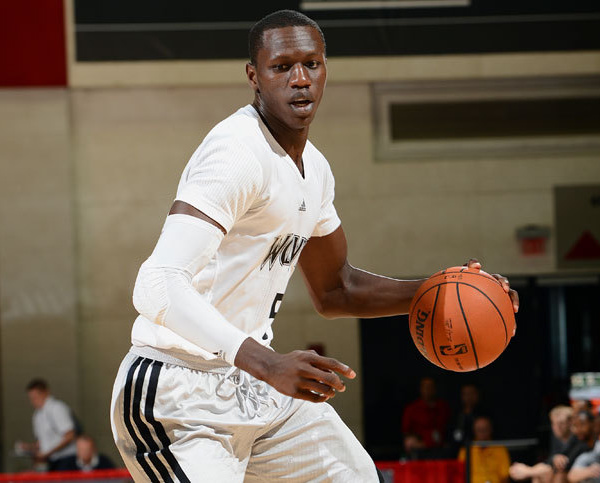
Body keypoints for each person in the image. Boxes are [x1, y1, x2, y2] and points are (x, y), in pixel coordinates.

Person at [109, 9, 519, 482]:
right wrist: (268, 364)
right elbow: (156, 284)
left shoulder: (315, 170)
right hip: (176, 394)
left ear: (326, 70)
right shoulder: (236, 153)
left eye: (311, 65)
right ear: (254, 76)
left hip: (254, 388)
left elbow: (336, 289)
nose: (299, 79)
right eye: (282, 67)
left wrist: (446, 289)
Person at [17, 379, 77, 471]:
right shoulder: (37, 414)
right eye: (31, 398)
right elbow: (42, 442)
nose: (33, 401)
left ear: (45, 393)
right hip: (51, 461)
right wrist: (28, 447)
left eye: (36, 397)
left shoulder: (57, 408)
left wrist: (47, 453)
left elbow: (69, 435)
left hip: (66, 459)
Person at [510, 405, 576, 483]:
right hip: (556, 472)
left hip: (572, 473)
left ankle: (526, 471)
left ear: (570, 423)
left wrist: (528, 471)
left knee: (551, 474)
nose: (557, 427)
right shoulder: (556, 438)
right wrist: (554, 458)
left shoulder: (578, 438)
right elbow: (550, 461)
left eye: (561, 423)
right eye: (554, 423)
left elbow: (565, 465)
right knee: (539, 475)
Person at [459, 416, 511, 483]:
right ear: (474, 430)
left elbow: (505, 476)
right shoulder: (466, 450)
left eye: (485, 429)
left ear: (490, 430)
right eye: (479, 429)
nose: (482, 433)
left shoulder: (500, 449)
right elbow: (460, 475)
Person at [402, 377, 451, 448]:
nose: (428, 390)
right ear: (421, 389)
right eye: (425, 387)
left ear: (435, 389)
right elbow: (406, 432)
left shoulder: (443, 407)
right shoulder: (412, 409)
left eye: (430, 387)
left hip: (441, 449)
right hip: (420, 449)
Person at [452, 383, 485, 447]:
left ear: (477, 395)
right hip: (460, 449)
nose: (469, 397)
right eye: (466, 394)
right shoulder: (456, 414)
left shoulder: (484, 414)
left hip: (478, 448)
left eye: (472, 393)